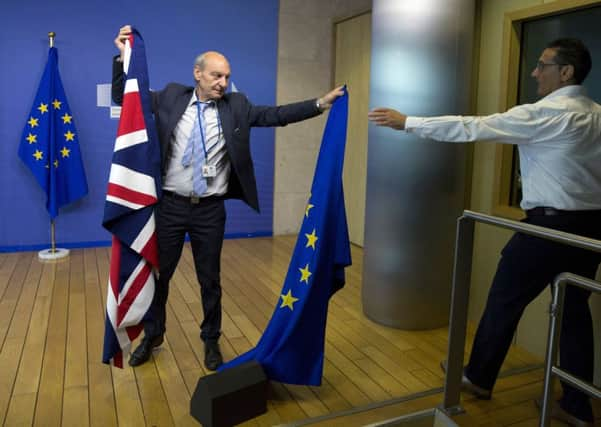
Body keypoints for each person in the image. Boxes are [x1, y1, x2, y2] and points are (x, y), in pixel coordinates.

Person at [368, 38, 601, 426]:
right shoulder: (596, 115)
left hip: (548, 227)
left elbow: (473, 127)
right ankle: (577, 406)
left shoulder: (546, 114)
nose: (534, 72)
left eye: (542, 65)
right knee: (576, 312)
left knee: (504, 299)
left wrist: (407, 122)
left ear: (566, 72)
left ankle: (478, 377)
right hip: (591, 230)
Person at [112, 25, 344, 371]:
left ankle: (211, 341)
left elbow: (276, 115)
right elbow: (124, 97)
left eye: (226, 76)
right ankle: (152, 334)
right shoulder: (171, 97)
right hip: (170, 207)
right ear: (198, 74)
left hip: (210, 210)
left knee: (211, 280)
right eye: (216, 75)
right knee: (160, 277)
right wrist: (122, 57)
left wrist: (319, 104)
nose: (222, 82)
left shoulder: (237, 106)